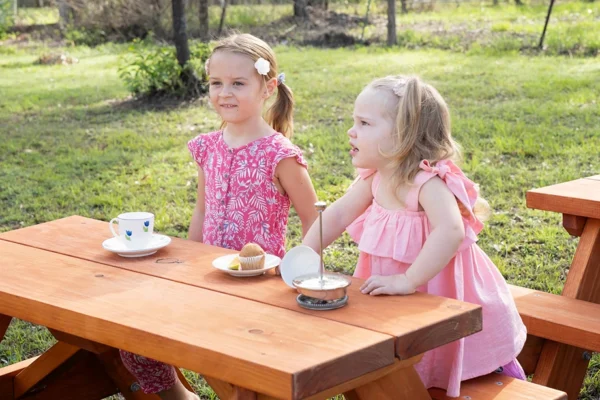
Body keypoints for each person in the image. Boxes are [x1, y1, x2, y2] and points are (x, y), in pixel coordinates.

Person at [120, 33, 318, 400]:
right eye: (216, 83)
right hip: (207, 274)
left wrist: (299, 272)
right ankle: (178, 396)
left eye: (238, 83)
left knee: (241, 365)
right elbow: (202, 209)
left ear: (267, 88)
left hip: (257, 284)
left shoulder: (280, 154)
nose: (224, 93)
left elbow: (315, 219)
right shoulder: (207, 147)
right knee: (132, 331)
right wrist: (187, 263)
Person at [302, 75, 526, 397]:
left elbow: (450, 231)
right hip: (392, 291)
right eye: (354, 121)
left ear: (404, 136)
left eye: (364, 123)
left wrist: (408, 280)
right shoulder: (375, 179)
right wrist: (303, 255)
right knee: (399, 354)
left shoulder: (426, 183)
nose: (351, 131)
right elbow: (336, 215)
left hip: (439, 290)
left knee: (445, 354)